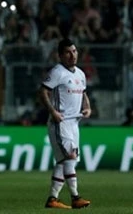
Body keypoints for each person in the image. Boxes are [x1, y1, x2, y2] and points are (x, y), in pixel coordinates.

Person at [39, 38, 91, 209]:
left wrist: (87, 107)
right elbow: (43, 91)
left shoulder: (80, 74)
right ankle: (76, 197)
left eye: (74, 51)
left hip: (74, 124)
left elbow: (83, 93)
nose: (72, 55)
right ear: (60, 55)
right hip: (60, 123)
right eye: (68, 52)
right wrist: (53, 112)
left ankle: (52, 199)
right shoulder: (57, 72)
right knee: (69, 158)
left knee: (64, 162)